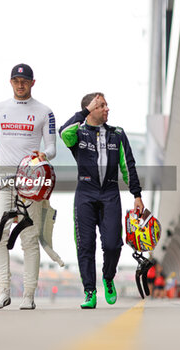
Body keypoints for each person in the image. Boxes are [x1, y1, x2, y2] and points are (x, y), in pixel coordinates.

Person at [0, 63, 56, 310]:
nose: (20, 84)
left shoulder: (45, 112)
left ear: (32, 83)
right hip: (2, 177)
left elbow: (52, 147)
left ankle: (28, 295)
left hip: (31, 178)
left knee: (29, 238)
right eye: (16, 80)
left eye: (25, 80)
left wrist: (45, 155)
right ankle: (3, 292)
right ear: (11, 82)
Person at [59, 93, 144, 309]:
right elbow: (62, 132)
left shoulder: (117, 134)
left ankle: (108, 277)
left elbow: (128, 166)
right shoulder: (77, 133)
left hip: (110, 194)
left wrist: (137, 195)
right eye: (101, 105)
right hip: (85, 194)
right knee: (85, 246)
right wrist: (85, 111)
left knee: (113, 244)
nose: (107, 109)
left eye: (106, 105)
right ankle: (89, 291)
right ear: (90, 109)